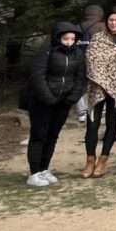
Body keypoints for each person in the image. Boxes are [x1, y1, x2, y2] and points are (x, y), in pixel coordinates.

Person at [26, 22, 87, 186]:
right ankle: (34, 173)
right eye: (66, 38)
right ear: (58, 37)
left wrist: (72, 98)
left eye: (72, 39)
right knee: (39, 135)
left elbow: (80, 78)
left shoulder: (78, 54)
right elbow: (37, 77)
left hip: (63, 103)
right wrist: (49, 98)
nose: (69, 42)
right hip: (42, 102)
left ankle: (44, 169)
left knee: (52, 136)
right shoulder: (46, 52)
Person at [83, 7, 116, 178]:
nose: (114, 23)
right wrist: (102, 78)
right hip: (97, 86)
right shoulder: (98, 38)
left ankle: (103, 161)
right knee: (92, 124)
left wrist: (113, 78)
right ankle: (90, 160)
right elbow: (91, 58)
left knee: (111, 122)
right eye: (111, 20)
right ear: (106, 22)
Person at [74, 5, 104, 123]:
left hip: (79, 60)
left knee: (78, 85)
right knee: (99, 84)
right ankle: (101, 109)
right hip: (96, 61)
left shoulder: (77, 27)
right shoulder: (102, 26)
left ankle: (81, 112)